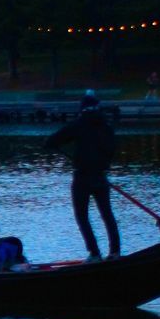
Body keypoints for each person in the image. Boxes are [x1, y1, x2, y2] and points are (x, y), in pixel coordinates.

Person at [45, 93, 120, 259]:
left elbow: (53, 140)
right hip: (100, 176)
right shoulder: (106, 127)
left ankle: (94, 253)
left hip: (82, 177)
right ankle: (115, 252)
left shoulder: (78, 125)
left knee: (82, 216)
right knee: (107, 215)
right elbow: (111, 150)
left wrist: (56, 147)